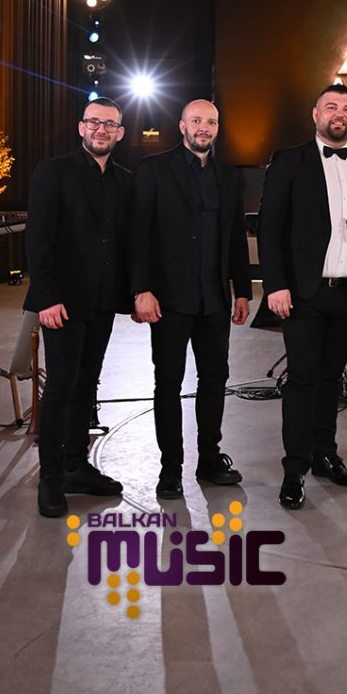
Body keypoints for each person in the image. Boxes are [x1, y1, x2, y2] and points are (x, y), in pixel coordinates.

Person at [257, 84, 347, 510]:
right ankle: (294, 468)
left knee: (332, 379)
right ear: (315, 114)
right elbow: (269, 227)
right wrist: (275, 285)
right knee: (302, 380)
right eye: (331, 107)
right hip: (302, 294)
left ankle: (324, 455)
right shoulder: (289, 160)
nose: (340, 113)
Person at [130, 99, 252, 500]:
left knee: (214, 380)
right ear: (182, 126)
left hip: (215, 299)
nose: (204, 127)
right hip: (168, 299)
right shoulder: (153, 170)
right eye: (196, 120)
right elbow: (138, 234)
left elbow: (235, 236)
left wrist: (243, 290)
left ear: (217, 127)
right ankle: (170, 469)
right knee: (167, 382)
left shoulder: (227, 175)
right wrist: (141, 289)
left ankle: (209, 459)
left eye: (211, 122)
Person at [24, 97, 132, 518]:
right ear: (81, 127)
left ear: (120, 133)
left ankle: (75, 466)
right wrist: (46, 297)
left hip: (102, 302)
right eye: (94, 122)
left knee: (87, 386)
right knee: (61, 388)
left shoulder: (124, 180)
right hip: (62, 303)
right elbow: (38, 240)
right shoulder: (53, 172)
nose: (101, 130)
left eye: (110, 124)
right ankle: (50, 478)